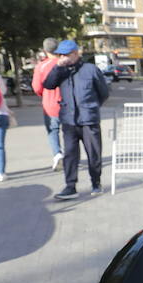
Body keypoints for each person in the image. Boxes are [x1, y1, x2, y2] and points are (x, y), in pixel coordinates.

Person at [43, 39, 111, 200]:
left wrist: (92, 106)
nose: (62, 57)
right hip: (68, 120)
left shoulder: (91, 69)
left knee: (94, 154)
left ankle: (96, 182)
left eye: (66, 54)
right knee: (70, 155)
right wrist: (58, 67)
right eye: (60, 55)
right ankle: (70, 186)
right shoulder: (60, 70)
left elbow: (104, 93)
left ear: (75, 54)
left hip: (89, 120)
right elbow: (48, 84)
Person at [32, 40, 65, 171]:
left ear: (45, 51)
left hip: (50, 104)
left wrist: (43, 95)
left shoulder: (41, 66)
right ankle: (71, 155)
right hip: (68, 104)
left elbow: (36, 87)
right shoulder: (65, 63)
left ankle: (57, 154)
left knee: (53, 131)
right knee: (70, 132)